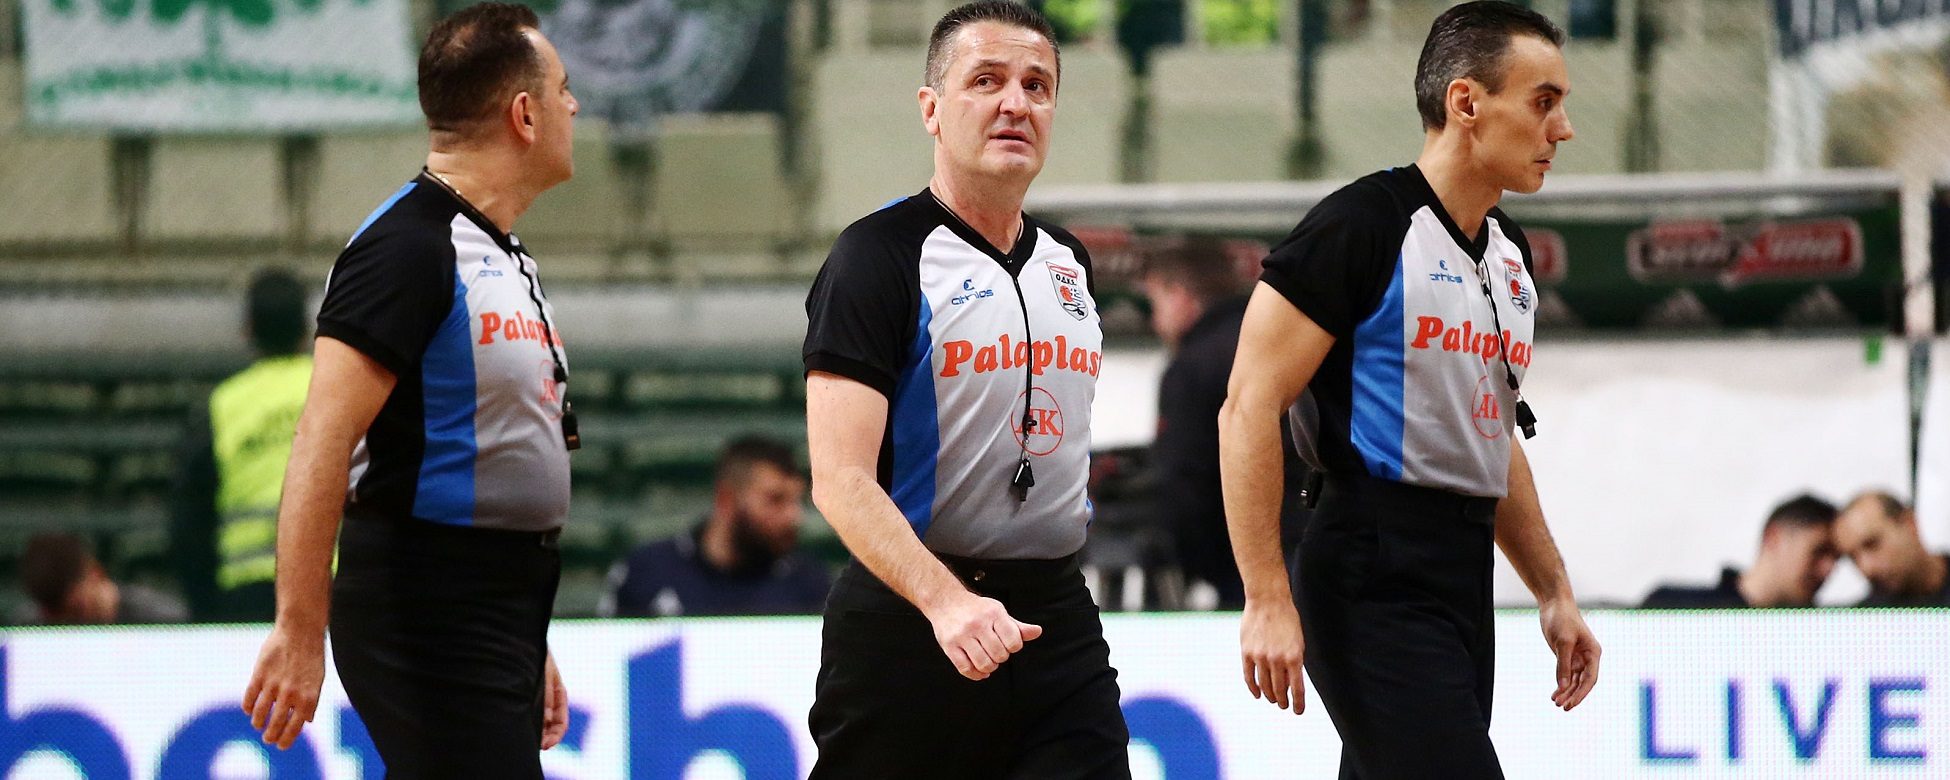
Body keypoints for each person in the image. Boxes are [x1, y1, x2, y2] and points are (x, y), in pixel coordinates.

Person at [1217, 3, 1602, 778]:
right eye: (1544, 101)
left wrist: (1554, 591)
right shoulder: (1359, 227)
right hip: (1369, 565)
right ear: (1466, 103)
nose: (1562, 129)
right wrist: (1265, 596)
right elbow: (1247, 406)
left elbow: (1489, 433)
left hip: (1462, 570)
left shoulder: (1509, 251)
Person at [240, 4, 581, 773]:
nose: (575, 105)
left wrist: (529, 636)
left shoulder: (494, 247)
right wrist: (299, 628)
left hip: (492, 601)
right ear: (524, 115)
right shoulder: (406, 248)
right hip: (428, 602)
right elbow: (322, 437)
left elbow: (493, 445)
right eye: (562, 89)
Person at [800, 2, 1130, 777]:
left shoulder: (1070, 260)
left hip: (1055, 618)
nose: (1016, 102)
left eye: (1037, 85)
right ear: (932, 109)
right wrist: (946, 602)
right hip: (912, 620)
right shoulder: (876, 257)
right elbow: (840, 480)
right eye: (986, 81)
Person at [1137, 236, 1308, 608]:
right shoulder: (1285, 344)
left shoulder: (1193, 367)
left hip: (1244, 561)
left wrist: (1200, 566)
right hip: (1315, 541)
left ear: (1179, 295)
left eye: (1156, 302)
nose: (1154, 319)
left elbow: (1185, 475)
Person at [170, 267, 313, 622]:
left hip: (245, 593)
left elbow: (190, 518)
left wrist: (204, 607)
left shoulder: (221, 405)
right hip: (326, 581)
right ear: (307, 328)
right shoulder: (333, 390)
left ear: (248, 329)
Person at [600, 435, 832, 617]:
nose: (793, 516)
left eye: (797, 501)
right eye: (775, 499)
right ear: (726, 500)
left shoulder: (808, 585)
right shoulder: (648, 572)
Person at [1640, 494, 1840, 608]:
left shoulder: (1820, 633)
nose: (1828, 569)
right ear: (1774, 538)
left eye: (1837, 558)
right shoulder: (1672, 606)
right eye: (1818, 551)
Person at [19, 532, 187, 625]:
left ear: (95, 573)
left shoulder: (164, 623)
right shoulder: (27, 627)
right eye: (55, 619)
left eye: (76, 611)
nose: (68, 624)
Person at [1835, 490, 1950, 607]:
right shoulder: (1869, 616)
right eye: (1853, 558)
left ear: (1909, 524)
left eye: (1872, 544)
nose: (1867, 568)